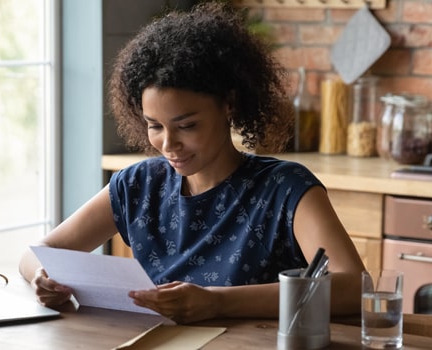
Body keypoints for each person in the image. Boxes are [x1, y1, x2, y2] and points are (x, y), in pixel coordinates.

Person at [19, 2, 365, 324]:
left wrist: (217, 302)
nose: (168, 145)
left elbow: (353, 286)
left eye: (187, 126)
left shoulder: (285, 188)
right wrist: (42, 277)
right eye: (155, 126)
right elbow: (38, 253)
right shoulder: (139, 185)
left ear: (229, 104)